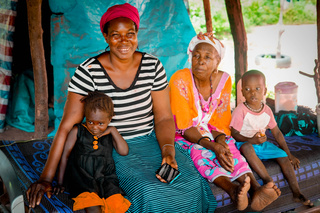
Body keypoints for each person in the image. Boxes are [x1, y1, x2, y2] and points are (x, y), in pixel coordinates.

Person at [26, 3, 216, 212]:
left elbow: (163, 118)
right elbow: (66, 126)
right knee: (148, 189)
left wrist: (168, 150)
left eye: (130, 33)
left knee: (191, 183)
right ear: (105, 37)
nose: (124, 41)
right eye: (116, 35)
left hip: (150, 140)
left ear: (137, 35)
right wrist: (45, 179)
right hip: (112, 147)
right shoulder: (88, 71)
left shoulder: (152, 66)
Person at [169, 32, 281, 211]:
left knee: (230, 146)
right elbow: (184, 126)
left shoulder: (224, 80)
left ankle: (255, 188)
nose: (200, 61)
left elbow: (219, 121)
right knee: (200, 152)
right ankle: (233, 190)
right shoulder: (180, 79)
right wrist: (213, 147)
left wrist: (221, 141)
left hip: (211, 129)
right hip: (184, 133)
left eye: (207, 57)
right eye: (196, 56)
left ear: (217, 62)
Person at [230, 69, 313, 207]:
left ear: (264, 90)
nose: (252, 92)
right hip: (243, 144)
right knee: (247, 147)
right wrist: (252, 140)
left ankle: (297, 192)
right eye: (247, 89)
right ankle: (269, 182)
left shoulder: (267, 110)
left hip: (261, 145)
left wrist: (289, 153)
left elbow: (277, 133)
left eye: (257, 88)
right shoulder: (240, 110)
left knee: (283, 157)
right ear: (242, 92)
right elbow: (234, 134)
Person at [52, 91, 130, 212]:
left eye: (100, 123)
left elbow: (124, 151)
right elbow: (65, 156)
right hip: (83, 177)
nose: (94, 127)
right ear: (86, 117)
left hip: (105, 178)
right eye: (90, 122)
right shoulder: (77, 131)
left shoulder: (110, 134)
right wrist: (60, 182)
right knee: (92, 206)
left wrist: (113, 130)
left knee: (116, 204)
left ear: (110, 119)